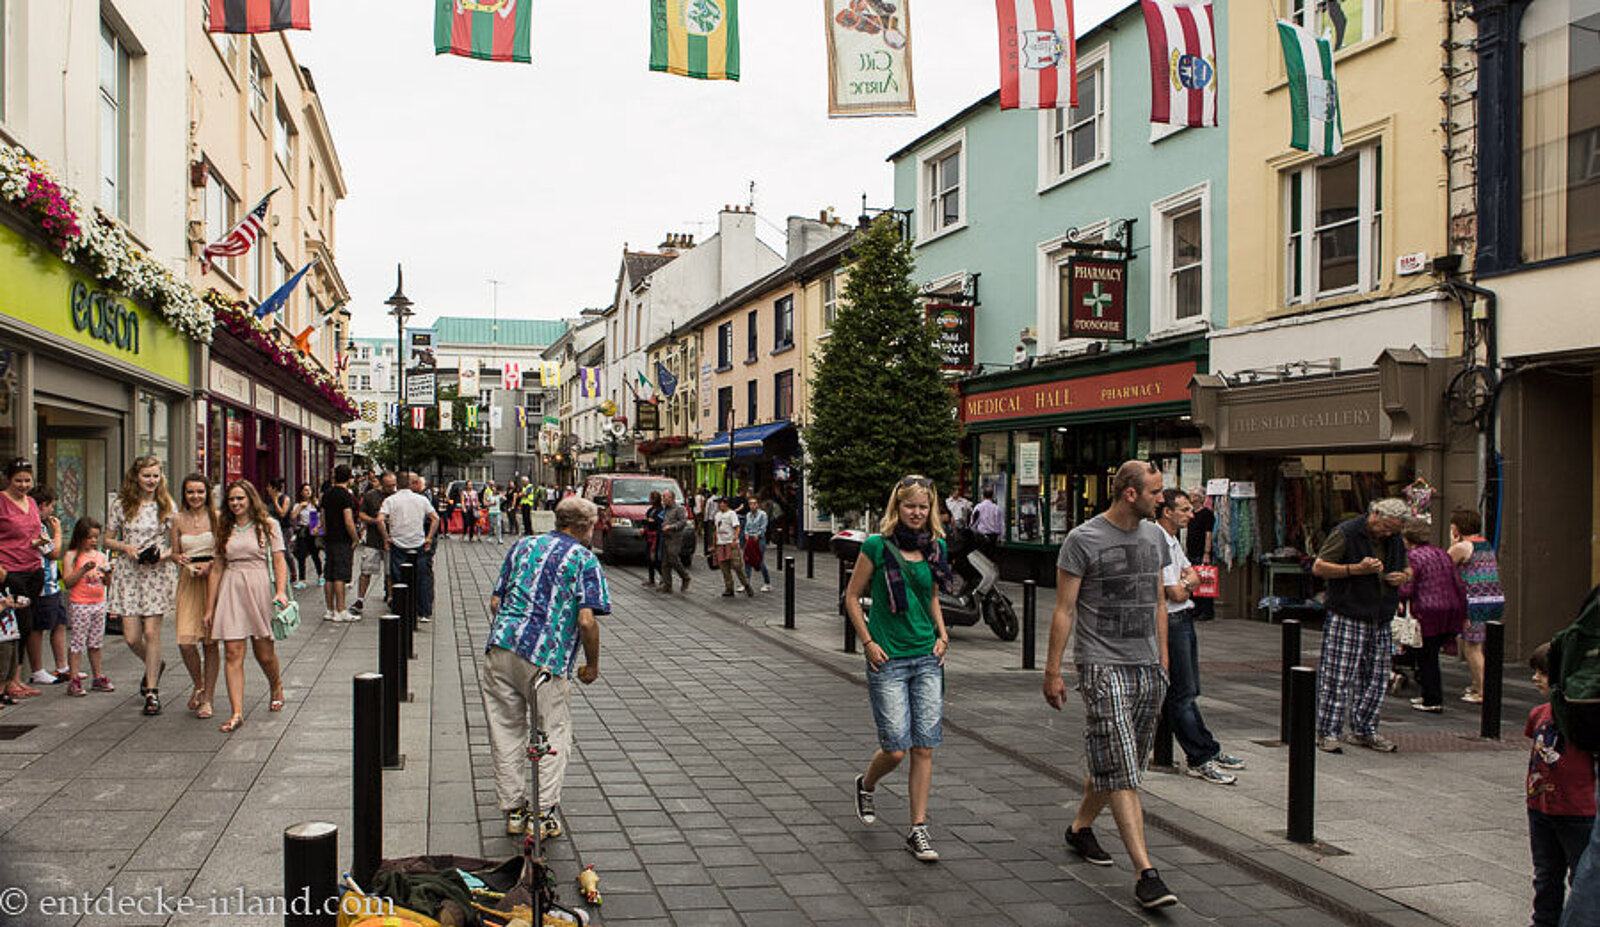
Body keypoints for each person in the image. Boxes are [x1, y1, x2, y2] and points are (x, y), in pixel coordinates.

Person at [1045, 460, 1178, 910]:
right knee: (1122, 767)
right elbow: (1064, 610)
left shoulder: (1156, 537)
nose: (1162, 499)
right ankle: (1147, 873)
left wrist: (1163, 661)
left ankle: (1079, 828)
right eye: (1156, 492)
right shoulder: (1083, 539)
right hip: (1102, 666)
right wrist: (1053, 670)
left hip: (1147, 668)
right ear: (1129, 493)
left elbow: (1158, 600)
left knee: (1118, 761)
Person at [484, 495, 607, 838]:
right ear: (584, 527)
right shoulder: (584, 560)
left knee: (505, 728)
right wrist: (592, 665)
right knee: (552, 731)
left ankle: (513, 809)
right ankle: (542, 812)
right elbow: (586, 621)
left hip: (501, 647)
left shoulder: (523, 546)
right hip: (545, 658)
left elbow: (497, 601)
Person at [845, 475, 952, 863]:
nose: (917, 513)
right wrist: (868, 642)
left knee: (923, 746)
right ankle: (867, 783)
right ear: (898, 507)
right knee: (896, 749)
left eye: (923, 506)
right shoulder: (877, 545)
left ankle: (918, 829)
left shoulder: (936, 546)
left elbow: (932, 596)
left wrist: (942, 633)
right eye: (910, 506)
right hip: (887, 656)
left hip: (926, 656)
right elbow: (853, 597)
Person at [1156, 489, 1246, 785]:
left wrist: (1188, 580)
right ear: (1167, 511)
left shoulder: (1172, 540)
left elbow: (1194, 575)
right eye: (1183, 509)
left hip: (1183, 617)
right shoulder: (1159, 541)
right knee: (1181, 692)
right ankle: (1199, 756)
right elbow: (1178, 590)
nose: (1190, 514)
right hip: (1171, 619)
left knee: (1189, 689)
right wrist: (1188, 581)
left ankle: (1207, 748)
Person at [1310, 497, 1413, 754]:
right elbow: (1319, 567)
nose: (1387, 533)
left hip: (1381, 615)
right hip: (1349, 613)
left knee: (1377, 678)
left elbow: (1408, 568)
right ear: (1375, 514)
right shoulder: (1346, 532)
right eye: (1385, 527)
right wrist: (1356, 569)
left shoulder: (1395, 540)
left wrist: (1403, 576)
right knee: (1338, 676)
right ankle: (1328, 731)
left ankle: (1365, 729)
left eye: (1393, 530)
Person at [204, 480, 288, 733]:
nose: (236, 503)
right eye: (231, 500)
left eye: (240, 498)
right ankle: (236, 712)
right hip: (231, 586)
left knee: (263, 653)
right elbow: (217, 567)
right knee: (232, 652)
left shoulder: (268, 525)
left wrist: (281, 592)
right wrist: (210, 607)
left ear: (251, 499)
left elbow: (279, 559)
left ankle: (276, 685)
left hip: (259, 585)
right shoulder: (223, 527)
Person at [1528, 640, 1598, 927]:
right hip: (1540, 806)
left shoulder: (1585, 719)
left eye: (1542, 674)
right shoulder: (1538, 714)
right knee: (1545, 873)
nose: (1535, 679)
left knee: (1581, 875)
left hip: (1577, 811)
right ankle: (1543, 921)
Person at [105, 456, 177, 715]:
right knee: (131, 637)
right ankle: (155, 663)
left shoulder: (166, 504)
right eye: (147, 475)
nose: (151, 480)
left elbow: (177, 543)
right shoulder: (122, 504)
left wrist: (163, 554)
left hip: (156, 573)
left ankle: (152, 692)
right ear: (136, 477)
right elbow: (107, 539)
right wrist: (126, 547)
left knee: (151, 632)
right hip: (129, 572)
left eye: (156, 476)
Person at [1397, 520, 1467, 713]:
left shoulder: (1412, 557)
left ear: (1407, 539)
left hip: (1426, 611)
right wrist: (1463, 610)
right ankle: (1428, 693)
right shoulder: (1442, 553)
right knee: (1430, 654)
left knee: (1427, 657)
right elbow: (1458, 582)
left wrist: (1397, 591)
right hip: (1450, 608)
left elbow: (1407, 586)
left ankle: (1432, 698)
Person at [171, 474, 222, 720]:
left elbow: (224, 551)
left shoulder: (217, 517)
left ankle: (208, 698)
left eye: (200, 492)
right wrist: (177, 558)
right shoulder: (178, 519)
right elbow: (174, 552)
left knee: (210, 642)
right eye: (191, 492)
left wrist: (211, 566)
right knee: (185, 641)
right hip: (188, 580)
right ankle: (198, 683)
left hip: (211, 580)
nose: (195, 497)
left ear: (207, 493)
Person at [0, 459, 45, 701]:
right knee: (17, 625)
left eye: (27, 480)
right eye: (18, 480)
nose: (23, 485)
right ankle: (9, 681)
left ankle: (15, 678)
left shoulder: (32, 502)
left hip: (33, 568)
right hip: (10, 570)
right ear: (8, 479)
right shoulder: (1, 501)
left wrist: (41, 542)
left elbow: (35, 532)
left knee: (27, 627)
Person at [1448, 509, 1503, 705]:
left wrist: (1453, 543)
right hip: (1493, 598)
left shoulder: (1462, 547)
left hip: (1473, 601)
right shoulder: (1484, 544)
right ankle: (1476, 683)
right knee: (1478, 644)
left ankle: (1483, 691)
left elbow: (1444, 566)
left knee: (1473, 647)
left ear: (1457, 528)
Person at [379, 471, 440, 624]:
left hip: (398, 543)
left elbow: (380, 519)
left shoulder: (390, 500)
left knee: (398, 578)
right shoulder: (421, 500)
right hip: (418, 543)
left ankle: (401, 609)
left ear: (397, 484)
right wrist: (429, 538)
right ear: (410, 484)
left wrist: (386, 537)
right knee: (422, 578)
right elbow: (435, 518)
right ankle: (424, 611)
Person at [60, 518, 112, 697]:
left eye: (96, 537)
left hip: (98, 602)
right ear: (80, 536)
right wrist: (82, 570)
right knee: (77, 642)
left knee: (96, 642)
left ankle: (98, 675)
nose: (93, 541)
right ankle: (74, 678)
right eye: (89, 537)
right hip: (80, 603)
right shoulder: (72, 555)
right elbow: (67, 581)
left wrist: (108, 574)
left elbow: (107, 582)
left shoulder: (100, 556)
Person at [25, 485, 68, 686]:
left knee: (59, 623)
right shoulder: (36, 526)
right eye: (51, 506)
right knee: (39, 627)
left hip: (52, 585)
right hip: (42, 586)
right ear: (42, 506)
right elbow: (53, 552)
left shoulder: (40, 526)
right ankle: (37, 669)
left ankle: (62, 666)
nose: (52, 511)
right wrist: (58, 531)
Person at [353, 471, 397, 617]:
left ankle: (390, 598)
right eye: (389, 486)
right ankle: (360, 599)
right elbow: (361, 513)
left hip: (392, 539)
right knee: (366, 570)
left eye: (394, 485)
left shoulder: (396, 497)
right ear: (382, 484)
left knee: (390, 571)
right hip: (373, 539)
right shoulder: (371, 495)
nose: (392, 489)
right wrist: (374, 521)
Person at [319, 465, 359, 623]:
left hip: (330, 538)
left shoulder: (326, 494)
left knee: (328, 574)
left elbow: (322, 519)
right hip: (342, 539)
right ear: (349, 478)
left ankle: (329, 609)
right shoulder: (346, 496)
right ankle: (341, 609)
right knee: (340, 575)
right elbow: (348, 521)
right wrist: (355, 538)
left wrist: (323, 535)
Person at [713, 497, 754, 598]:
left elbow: (737, 527)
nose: (719, 505)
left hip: (730, 543)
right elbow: (715, 529)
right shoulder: (717, 515)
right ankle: (729, 588)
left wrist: (735, 539)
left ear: (726, 504)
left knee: (737, 566)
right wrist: (714, 544)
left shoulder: (731, 514)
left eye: (720, 503)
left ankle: (746, 585)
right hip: (721, 543)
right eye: (718, 503)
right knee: (724, 567)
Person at [1184, 490, 1216, 621]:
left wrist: (1206, 553)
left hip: (1200, 552)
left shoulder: (1207, 514)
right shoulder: (1191, 514)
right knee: (1193, 581)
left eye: (1193, 495)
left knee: (1204, 581)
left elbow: (1208, 534)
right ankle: (1195, 608)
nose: (1191, 497)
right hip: (1191, 551)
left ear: (1198, 498)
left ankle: (1206, 610)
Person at [656, 491, 691, 594]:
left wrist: (671, 527)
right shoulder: (664, 509)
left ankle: (685, 576)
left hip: (674, 538)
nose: (663, 499)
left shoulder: (679, 509)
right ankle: (667, 585)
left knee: (673, 558)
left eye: (665, 497)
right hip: (665, 537)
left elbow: (683, 522)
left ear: (671, 498)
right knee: (665, 562)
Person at [289, 484, 322, 589]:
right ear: (301, 492)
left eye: (309, 490)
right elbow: (293, 516)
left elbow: (321, 515)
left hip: (313, 528)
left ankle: (320, 575)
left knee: (315, 554)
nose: (307, 492)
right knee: (301, 555)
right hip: (303, 530)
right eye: (305, 490)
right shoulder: (298, 504)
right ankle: (302, 580)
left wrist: (318, 528)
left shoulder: (315, 503)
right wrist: (300, 507)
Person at [266, 479, 295, 584]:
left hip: (285, 528)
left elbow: (282, 513)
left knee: (285, 551)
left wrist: (275, 501)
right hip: (272, 528)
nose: (267, 489)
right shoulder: (267, 499)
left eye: (269, 487)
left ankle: (292, 572)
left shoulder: (285, 498)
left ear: (274, 488)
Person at [744, 490, 772, 592]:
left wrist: (758, 535)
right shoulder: (748, 515)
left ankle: (767, 583)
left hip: (759, 540)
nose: (752, 506)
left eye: (754, 503)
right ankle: (746, 583)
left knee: (759, 561)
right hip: (750, 539)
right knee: (747, 560)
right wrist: (746, 533)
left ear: (758, 504)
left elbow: (764, 527)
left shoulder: (763, 515)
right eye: (750, 504)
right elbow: (746, 526)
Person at [971, 488, 1004, 557]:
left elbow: (973, 523)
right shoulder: (997, 508)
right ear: (992, 496)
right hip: (993, 537)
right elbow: (1001, 524)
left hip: (982, 537)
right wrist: (1000, 538)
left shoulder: (978, 507)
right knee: (991, 557)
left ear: (983, 495)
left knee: (982, 558)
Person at [642, 490, 663, 588]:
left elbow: (659, 522)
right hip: (649, 536)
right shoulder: (651, 510)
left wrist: (652, 521)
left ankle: (663, 577)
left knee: (654, 559)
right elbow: (646, 520)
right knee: (648, 559)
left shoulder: (660, 510)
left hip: (656, 537)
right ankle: (651, 579)